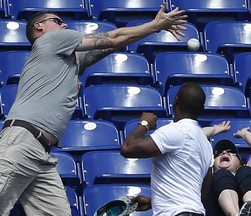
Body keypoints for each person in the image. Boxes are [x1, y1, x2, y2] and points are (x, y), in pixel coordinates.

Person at [0, 3, 188, 215]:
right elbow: (116, 37)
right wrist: (155, 25)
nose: (64, 25)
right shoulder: (51, 40)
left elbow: (111, 45)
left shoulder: (63, 59)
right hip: (23, 141)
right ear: (39, 26)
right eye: (58, 21)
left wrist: (150, 29)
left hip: (41, 153)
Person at [120, 82, 213, 216]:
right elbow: (201, 193)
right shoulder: (206, 143)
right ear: (202, 109)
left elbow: (128, 148)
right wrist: (155, 202)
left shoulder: (176, 131)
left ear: (176, 100)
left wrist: (144, 124)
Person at [202, 122, 251, 216]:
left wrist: (244, 133)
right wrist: (215, 130)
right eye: (218, 153)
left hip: (243, 179)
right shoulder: (208, 176)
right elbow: (196, 136)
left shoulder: (245, 172)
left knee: (246, 171)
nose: (224, 153)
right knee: (222, 174)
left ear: (239, 161)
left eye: (230, 152)